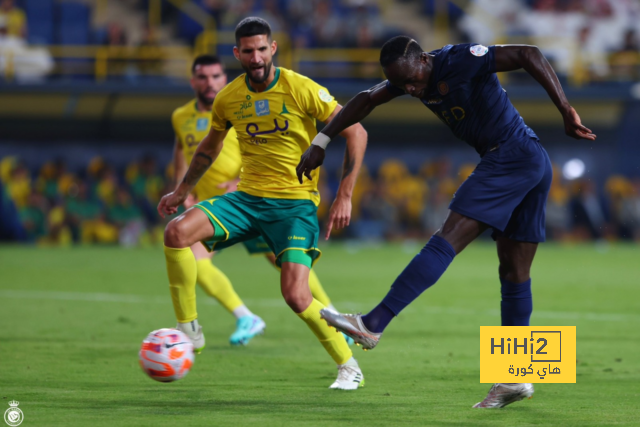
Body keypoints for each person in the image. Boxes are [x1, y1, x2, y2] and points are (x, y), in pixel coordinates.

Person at [296, 36, 596, 406]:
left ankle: (373, 323)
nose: (410, 89)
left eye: (413, 80)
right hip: (529, 160)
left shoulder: (462, 59)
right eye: (403, 84)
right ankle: (516, 377)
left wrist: (565, 110)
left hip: (512, 155)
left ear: (424, 58)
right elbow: (366, 99)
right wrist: (321, 140)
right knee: (513, 273)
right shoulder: (408, 77)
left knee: (448, 237)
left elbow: (528, 53)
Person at [158, 17, 368, 390]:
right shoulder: (229, 98)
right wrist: (180, 191)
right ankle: (188, 328)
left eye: (261, 49)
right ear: (237, 54)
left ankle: (348, 365)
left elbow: (356, 130)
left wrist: (345, 195)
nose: (255, 58)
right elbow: (209, 147)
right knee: (176, 232)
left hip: (294, 206)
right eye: (247, 51)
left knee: (296, 295)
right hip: (246, 200)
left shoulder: (300, 88)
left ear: (273, 49)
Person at [170, 54, 348, 348]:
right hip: (218, 207)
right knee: (193, 258)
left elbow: (260, 150)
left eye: (216, 76)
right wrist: (183, 189)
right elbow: (182, 151)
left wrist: (240, 182)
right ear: (193, 81)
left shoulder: (238, 107)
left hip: (254, 199)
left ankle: (333, 315)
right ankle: (244, 316)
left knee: (290, 270)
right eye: (203, 77)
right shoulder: (181, 117)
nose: (210, 82)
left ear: (224, 79)